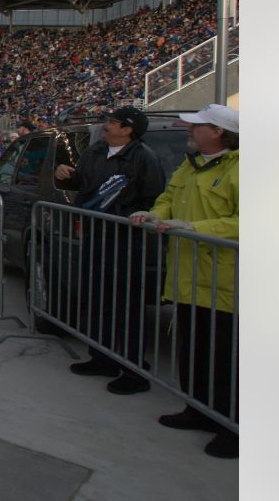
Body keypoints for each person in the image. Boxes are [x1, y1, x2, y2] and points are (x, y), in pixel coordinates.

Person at [132, 103, 239, 459]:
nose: (190, 131)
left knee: (225, 356)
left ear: (219, 132)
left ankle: (232, 426)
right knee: (192, 347)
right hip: (188, 276)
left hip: (225, 280)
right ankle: (197, 409)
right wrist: (155, 214)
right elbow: (168, 198)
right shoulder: (190, 166)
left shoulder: (242, 168)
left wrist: (196, 228)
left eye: (198, 127)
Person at [54, 107, 165, 395]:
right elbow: (83, 184)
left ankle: (133, 369)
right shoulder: (96, 151)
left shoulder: (143, 157)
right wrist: (66, 174)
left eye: (113, 122)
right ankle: (101, 358)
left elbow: (154, 197)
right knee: (97, 298)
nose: (107, 125)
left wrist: (133, 216)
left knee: (125, 304)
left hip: (125, 239)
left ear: (129, 129)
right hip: (96, 233)